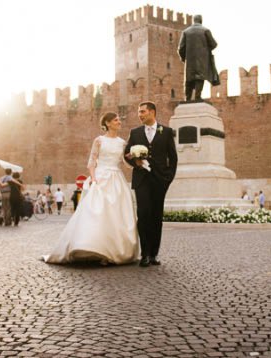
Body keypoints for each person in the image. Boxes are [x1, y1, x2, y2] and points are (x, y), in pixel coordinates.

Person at [44, 112, 139, 265]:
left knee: (116, 214)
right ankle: (92, 246)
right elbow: (91, 162)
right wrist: (94, 179)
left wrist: (137, 160)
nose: (119, 122)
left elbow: (126, 163)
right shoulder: (99, 140)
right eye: (116, 120)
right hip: (101, 177)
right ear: (108, 123)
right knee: (97, 213)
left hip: (117, 179)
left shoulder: (122, 143)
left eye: (119, 119)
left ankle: (113, 250)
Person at [124, 101, 178, 267]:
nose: (140, 115)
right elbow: (126, 154)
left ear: (152, 112)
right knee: (143, 214)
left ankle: (154, 254)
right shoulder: (135, 133)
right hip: (141, 181)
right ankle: (145, 253)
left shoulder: (166, 132)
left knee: (156, 216)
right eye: (139, 112)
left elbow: (173, 158)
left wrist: (167, 179)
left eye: (143, 112)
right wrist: (136, 163)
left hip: (160, 180)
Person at [177, 14, 220, 102]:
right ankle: (197, 97)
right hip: (202, 59)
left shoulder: (186, 31)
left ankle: (187, 98)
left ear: (194, 20)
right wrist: (205, 49)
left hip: (190, 59)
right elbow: (214, 44)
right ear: (201, 20)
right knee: (200, 77)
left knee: (188, 79)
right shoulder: (205, 30)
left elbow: (180, 48)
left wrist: (184, 58)